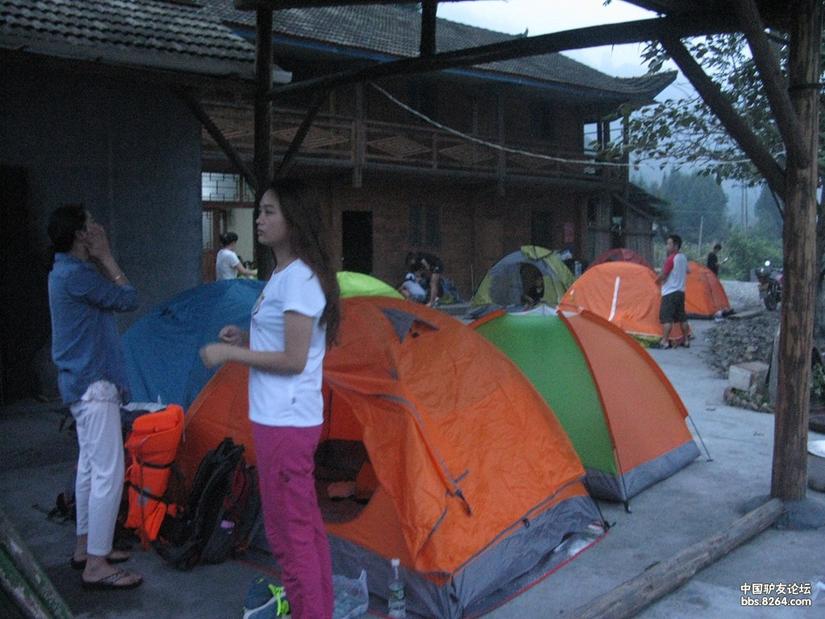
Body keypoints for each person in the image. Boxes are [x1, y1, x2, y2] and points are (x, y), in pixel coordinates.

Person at [200, 179, 339, 619]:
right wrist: (246, 335)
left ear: (294, 220)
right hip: (281, 421)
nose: (259, 219)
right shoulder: (284, 275)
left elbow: (295, 359)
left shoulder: (298, 279)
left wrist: (230, 354)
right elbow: (285, 340)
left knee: (289, 538)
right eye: (259, 211)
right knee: (305, 529)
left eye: (269, 212)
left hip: (286, 423)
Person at [46, 205, 142, 590]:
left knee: (89, 469)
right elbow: (127, 297)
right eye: (90, 225)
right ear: (80, 236)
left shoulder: (64, 273)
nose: (98, 227)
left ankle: (87, 547)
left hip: (81, 384)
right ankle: (98, 564)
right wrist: (106, 256)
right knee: (108, 473)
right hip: (95, 385)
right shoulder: (79, 276)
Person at [655, 234, 691, 349]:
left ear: (675, 246)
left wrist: (656, 281)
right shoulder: (683, 258)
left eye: (669, 244)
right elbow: (688, 271)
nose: (667, 246)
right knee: (682, 318)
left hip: (669, 293)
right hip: (680, 292)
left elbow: (663, 275)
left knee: (667, 318)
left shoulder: (671, 259)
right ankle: (686, 340)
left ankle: (664, 341)